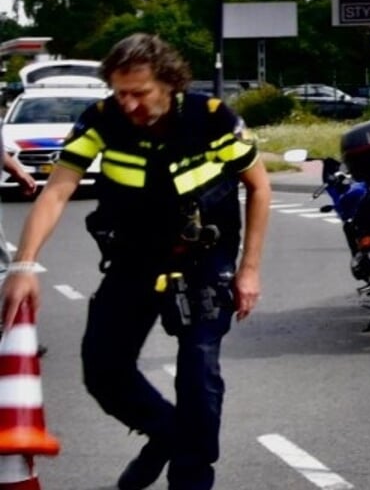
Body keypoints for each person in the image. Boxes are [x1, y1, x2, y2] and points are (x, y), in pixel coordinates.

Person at [2, 33, 268, 490]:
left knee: (198, 371)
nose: (127, 104)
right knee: (103, 370)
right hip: (134, 258)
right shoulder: (102, 119)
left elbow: (259, 187)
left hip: (205, 257)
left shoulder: (210, 118)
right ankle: (165, 433)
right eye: (119, 92)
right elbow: (59, 187)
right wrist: (24, 266)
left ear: (168, 83)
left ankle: (191, 477)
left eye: (139, 93)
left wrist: (249, 270)